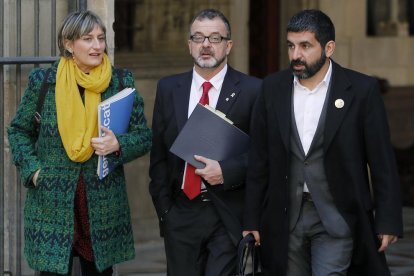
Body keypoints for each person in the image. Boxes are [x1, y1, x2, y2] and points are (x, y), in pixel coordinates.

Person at [243, 9, 403, 276]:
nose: (296, 55)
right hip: (285, 218)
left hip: (337, 216)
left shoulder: (361, 90)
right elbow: (259, 159)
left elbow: (381, 160)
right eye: (291, 46)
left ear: (329, 48)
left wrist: (388, 220)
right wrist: (251, 219)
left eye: (305, 46)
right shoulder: (271, 88)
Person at [7, 10, 151, 275]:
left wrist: (118, 144)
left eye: (100, 38)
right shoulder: (44, 82)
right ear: (69, 44)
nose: (97, 46)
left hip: (101, 205)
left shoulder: (120, 81)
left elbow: (143, 136)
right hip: (52, 201)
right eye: (88, 39)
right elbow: (18, 131)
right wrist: (35, 172)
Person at [149, 8, 261, 276]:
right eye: (198, 38)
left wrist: (227, 171)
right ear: (189, 45)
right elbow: (159, 157)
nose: (206, 45)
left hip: (226, 213)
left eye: (215, 38)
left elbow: (263, 157)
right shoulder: (168, 88)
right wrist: (166, 212)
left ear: (229, 45)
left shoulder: (253, 90)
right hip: (181, 213)